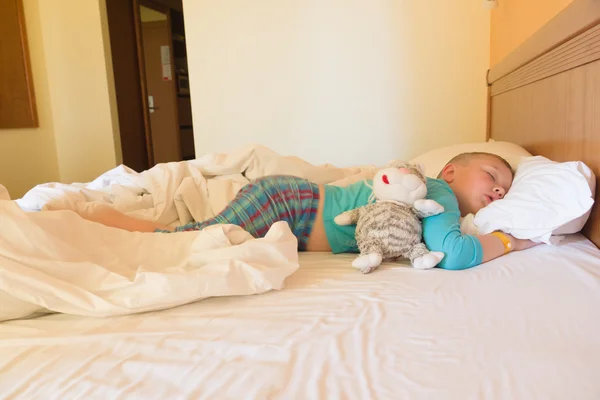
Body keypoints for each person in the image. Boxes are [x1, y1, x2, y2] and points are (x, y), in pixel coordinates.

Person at [75, 152, 539, 270]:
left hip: (291, 203)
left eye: (506, 189)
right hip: (292, 206)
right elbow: (454, 254)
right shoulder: (438, 191)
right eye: (492, 176)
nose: (499, 190)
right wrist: (511, 241)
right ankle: (101, 223)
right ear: (453, 170)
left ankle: (116, 226)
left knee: (203, 235)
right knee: (195, 241)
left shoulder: (433, 190)